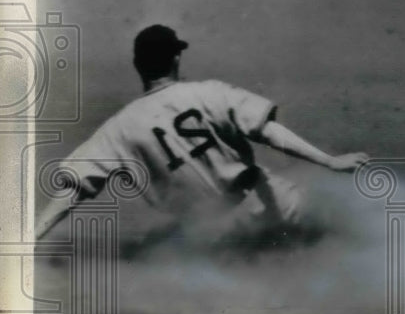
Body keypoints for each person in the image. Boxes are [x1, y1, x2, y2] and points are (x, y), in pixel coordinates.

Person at [36, 24, 369, 246]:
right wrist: (329, 161)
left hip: (205, 234)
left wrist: (30, 239)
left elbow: (72, 191)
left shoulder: (117, 130)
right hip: (261, 205)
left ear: (137, 64)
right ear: (176, 58)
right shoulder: (209, 93)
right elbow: (267, 131)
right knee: (336, 227)